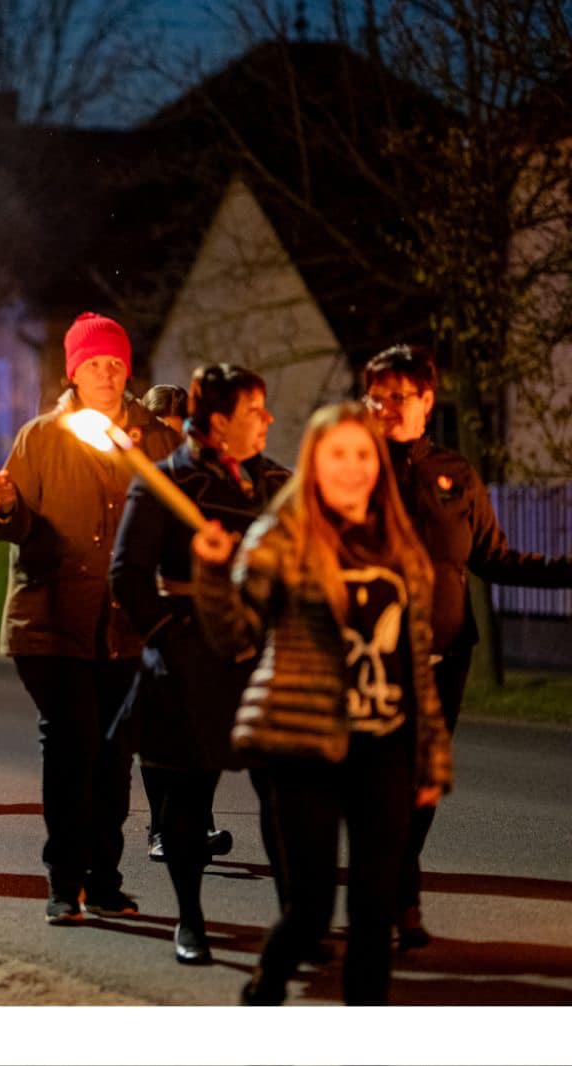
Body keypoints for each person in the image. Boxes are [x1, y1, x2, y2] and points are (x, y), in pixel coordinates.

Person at [193, 401, 452, 1005]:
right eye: (338, 454)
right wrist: (212, 573)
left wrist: (431, 757)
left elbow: (417, 662)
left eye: (363, 454)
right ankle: (266, 987)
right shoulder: (281, 537)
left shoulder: (400, 545)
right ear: (315, 463)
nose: (352, 466)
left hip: (383, 748)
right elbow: (235, 636)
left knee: (374, 912)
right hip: (302, 745)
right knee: (310, 910)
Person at [361, 344, 572, 949]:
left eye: (400, 396)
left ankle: (399, 891)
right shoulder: (355, 467)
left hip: (446, 657)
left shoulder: (454, 474)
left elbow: (493, 557)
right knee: (383, 786)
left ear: (427, 400)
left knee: (421, 786)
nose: (386, 407)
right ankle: (393, 900)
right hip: (374, 660)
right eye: (376, 398)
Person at [0, 311, 181, 923]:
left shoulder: (156, 441)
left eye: (115, 364)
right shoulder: (41, 438)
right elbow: (16, 527)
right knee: (73, 747)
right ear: (74, 371)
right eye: (93, 364)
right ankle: (64, 881)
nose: (105, 374)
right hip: (52, 621)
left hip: (128, 626)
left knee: (114, 755)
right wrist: (5, 508)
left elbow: (179, 517)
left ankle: (103, 880)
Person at [109, 363, 289, 965]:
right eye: (254, 412)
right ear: (217, 422)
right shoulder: (164, 482)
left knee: (283, 793)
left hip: (264, 655)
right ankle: (190, 920)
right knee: (187, 794)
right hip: (190, 655)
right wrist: (172, 638)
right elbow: (128, 576)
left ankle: (294, 922)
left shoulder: (277, 484)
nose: (267, 420)